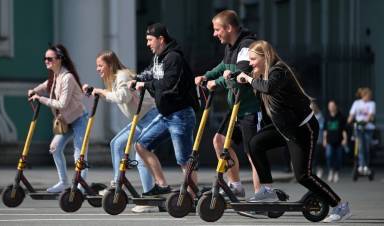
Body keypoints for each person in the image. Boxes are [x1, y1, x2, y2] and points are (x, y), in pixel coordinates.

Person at [237, 40, 351, 222]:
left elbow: (268, 87)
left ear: (264, 57)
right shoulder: (262, 74)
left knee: (303, 175)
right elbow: (251, 83)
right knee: (255, 143)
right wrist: (229, 77)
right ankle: (267, 190)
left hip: (303, 129)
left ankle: (339, 206)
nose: (250, 64)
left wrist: (249, 79)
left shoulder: (279, 71)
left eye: (252, 59)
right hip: (284, 128)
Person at [82, 50, 159, 213]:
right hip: (140, 120)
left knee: (140, 154)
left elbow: (123, 97)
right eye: (97, 66)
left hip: (150, 117)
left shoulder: (123, 76)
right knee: (116, 143)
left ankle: (149, 199)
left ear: (110, 65)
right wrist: (94, 90)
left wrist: (102, 92)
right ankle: (119, 183)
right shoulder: (114, 79)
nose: (98, 69)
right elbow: (115, 95)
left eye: (100, 65)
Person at [194, 9, 259, 198]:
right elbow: (223, 67)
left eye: (217, 30)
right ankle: (236, 185)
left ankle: (262, 193)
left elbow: (240, 74)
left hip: (251, 109)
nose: (214, 34)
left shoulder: (247, 46)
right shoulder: (231, 47)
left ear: (229, 28)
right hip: (236, 107)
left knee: (253, 153)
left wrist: (217, 83)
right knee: (220, 141)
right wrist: (207, 76)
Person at [133, 23, 199, 196]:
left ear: (160, 39)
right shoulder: (158, 58)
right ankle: (162, 185)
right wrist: (134, 79)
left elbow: (169, 85)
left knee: (184, 160)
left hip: (180, 114)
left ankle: (192, 196)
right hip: (166, 114)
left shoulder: (173, 58)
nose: (147, 44)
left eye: (150, 40)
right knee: (141, 145)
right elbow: (150, 73)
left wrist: (146, 85)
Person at [28, 44, 88, 193]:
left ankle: (81, 186)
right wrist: (34, 91)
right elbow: (45, 86)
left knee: (79, 153)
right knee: (54, 148)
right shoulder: (55, 75)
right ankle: (63, 182)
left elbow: (62, 103)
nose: (46, 61)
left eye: (49, 58)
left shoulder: (67, 77)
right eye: (45, 58)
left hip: (79, 117)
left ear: (59, 59)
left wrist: (40, 99)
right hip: (65, 120)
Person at [347, 87, 376, 175]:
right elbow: (352, 114)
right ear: (364, 95)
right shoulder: (357, 103)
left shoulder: (372, 103)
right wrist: (349, 121)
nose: (370, 97)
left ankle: (366, 166)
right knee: (360, 147)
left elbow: (371, 115)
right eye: (368, 96)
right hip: (358, 128)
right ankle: (361, 166)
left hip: (368, 128)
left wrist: (366, 121)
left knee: (366, 147)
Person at [323, 100, 347, 183]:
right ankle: (331, 171)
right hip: (329, 141)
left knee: (338, 158)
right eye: (330, 106)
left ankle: (336, 172)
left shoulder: (341, 117)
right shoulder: (327, 117)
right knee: (329, 156)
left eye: (332, 106)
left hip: (339, 141)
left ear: (336, 106)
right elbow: (325, 130)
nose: (331, 107)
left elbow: (344, 130)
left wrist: (345, 139)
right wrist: (324, 140)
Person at [310, 101, 325, 178]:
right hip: (311, 139)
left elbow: (321, 127)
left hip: (319, 139)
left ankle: (320, 169)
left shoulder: (320, 116)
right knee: (312, 156)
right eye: (311, 108)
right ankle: (312, 171)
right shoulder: (309, 116)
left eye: (313, 107)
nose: (312, 109)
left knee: (319, 155)